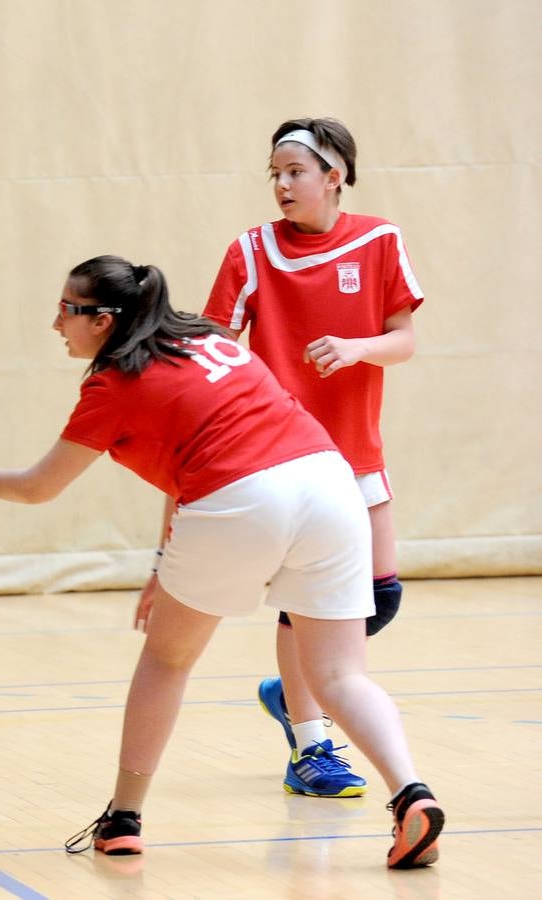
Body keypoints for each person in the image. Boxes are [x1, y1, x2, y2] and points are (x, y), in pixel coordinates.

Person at [0, 255, 442, 868]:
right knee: (341, 676)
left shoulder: (112, 386)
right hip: (328, 481)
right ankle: (412, 796)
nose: (57, 324)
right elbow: (203, 452)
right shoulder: (207, 340)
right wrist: (166, 559)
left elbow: (36, 487)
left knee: (168, 658)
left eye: (66, 311)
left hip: (241, 497)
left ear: (104, 321)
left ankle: (123, 818)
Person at [204, 117, 424, 798]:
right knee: (304, 604)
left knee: (377, 597)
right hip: (283, 460)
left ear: (333, 176)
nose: (280, 185)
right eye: (273, 173)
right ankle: (310, 747)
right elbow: (214, 344)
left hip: (355, 449)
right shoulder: (249, 251)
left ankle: (289, 686)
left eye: (293, 172)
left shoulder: (378, 239)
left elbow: (403, 339)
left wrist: (357, 347)